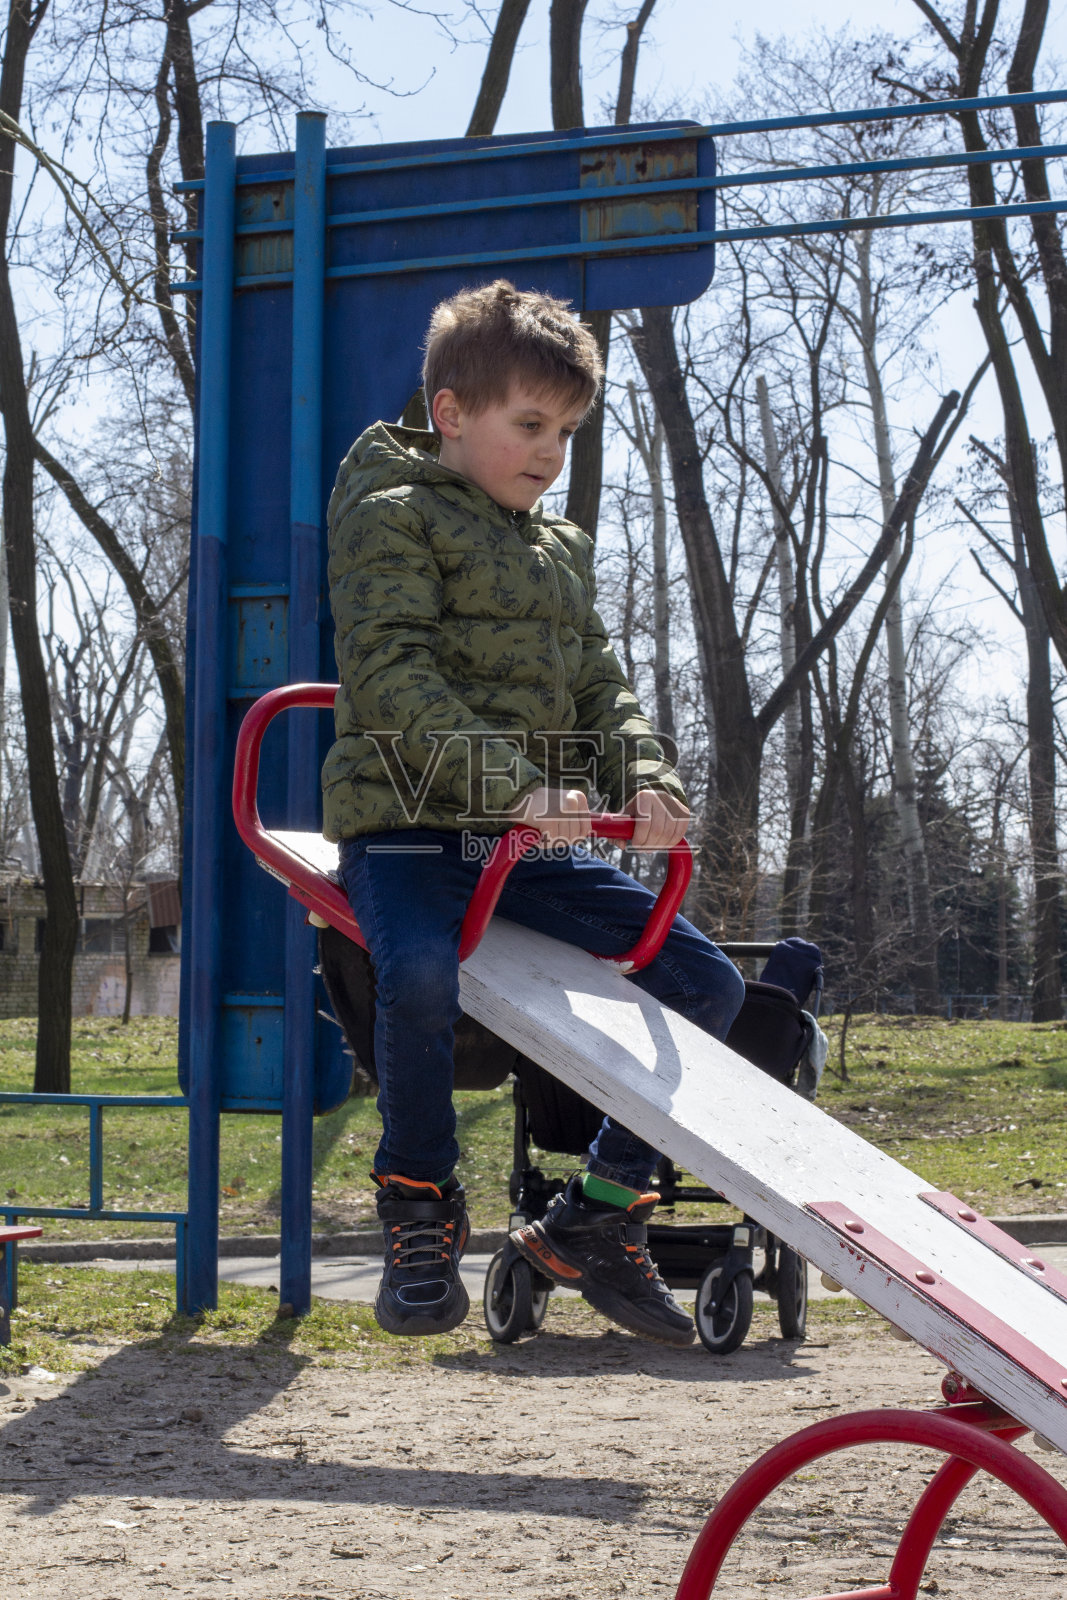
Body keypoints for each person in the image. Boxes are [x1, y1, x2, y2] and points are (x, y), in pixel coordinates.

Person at [323, 279, 745, 1346]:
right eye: (528, 425)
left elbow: (599, 684)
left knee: (705, 980)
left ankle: (596, 1212)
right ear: (452, 412)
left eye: (565, 432)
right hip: (410, 823)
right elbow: (391, 675)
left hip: (525, 838)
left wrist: (642, 773)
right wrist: (514, 783)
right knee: (421, 974)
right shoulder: (388, 513)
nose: (550, 452)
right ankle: (419, 1202)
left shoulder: (557, 549)